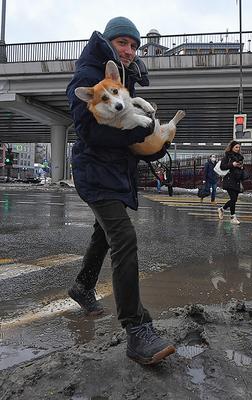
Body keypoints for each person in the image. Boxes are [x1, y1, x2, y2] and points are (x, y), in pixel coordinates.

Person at [66, 16, 175, 365]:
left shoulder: (127, 77)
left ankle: (83, 286)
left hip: (115, 172)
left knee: (105, 233)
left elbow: (130, 130)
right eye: (123, 43)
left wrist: (156, 145)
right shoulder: (89, 76)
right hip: (94, 173)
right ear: (109, 42)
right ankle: (137, 328)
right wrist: (136, 135)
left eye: (134, 45)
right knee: (123, 237)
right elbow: (90, 133)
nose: (129, 51)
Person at [218, 141, 245, 225]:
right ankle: (233, 217)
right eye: (236, 147)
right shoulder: (227, 156)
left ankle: (222, 209)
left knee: (234, 200)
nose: (238, 149)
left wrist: (241, 167)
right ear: (232, 147)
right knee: (233, 199)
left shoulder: (240, 157)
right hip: (229, 179)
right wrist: (232, 164)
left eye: (239, 147)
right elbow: (222, 167)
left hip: (237, 179)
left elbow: (240, 169)